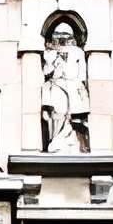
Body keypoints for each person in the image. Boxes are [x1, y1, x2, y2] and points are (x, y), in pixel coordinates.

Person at [41, 20, 90, 153]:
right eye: (58, 36)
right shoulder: (49, 52)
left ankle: (71, 143)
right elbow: (46, 72)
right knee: (58, 114)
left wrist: (80, 89)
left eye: (65, 36)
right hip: (57, 86)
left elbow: (82, 74)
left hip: (73, 87)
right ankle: (55, 142)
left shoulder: (78, 52)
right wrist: (53, 62)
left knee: (74, 118)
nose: (62, 40)